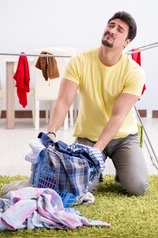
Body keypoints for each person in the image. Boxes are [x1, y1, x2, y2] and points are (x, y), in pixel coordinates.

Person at [47, 11, 148, 196]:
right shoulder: (80, 61)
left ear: (127, 42)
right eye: (111, 25)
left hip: (123, 138)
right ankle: (96, 173)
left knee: (137, 187)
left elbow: (118, 115)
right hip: (88, 136)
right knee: (80, 188)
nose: (112, 31)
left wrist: (97, 151)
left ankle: (121, 170)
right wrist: (51, 133)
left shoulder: (135, 72)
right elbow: (64, 101)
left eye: (120, 29)